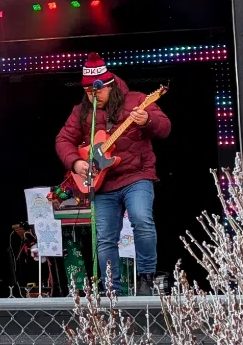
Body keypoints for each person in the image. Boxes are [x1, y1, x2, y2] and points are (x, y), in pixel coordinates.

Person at [55, 53, 171, 295]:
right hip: (103, 184)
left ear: (109, 85)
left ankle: (146, 279)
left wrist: (147, 119)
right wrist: (76, 163)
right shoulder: (82, 111)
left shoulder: (139, 100)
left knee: (142, 220)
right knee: (105, 238)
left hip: (136, 175)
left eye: (96, 91)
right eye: (87, 92)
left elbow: (164, 128)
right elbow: (63, 139)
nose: (92, 96)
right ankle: (112, 290)